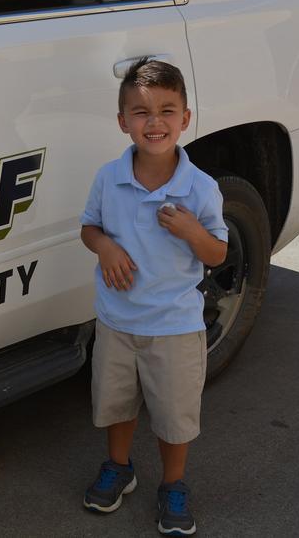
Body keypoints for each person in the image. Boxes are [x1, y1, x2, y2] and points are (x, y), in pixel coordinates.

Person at [79, 57, 228, 536]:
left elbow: (218, 253)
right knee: (116, 404)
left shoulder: (200, 189)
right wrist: (104, 247)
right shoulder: (109, 177)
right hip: (118, 321)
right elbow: (89, 228)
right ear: (123, 122)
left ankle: (174, 484)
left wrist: (189, 230)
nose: (154, 122)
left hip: (174, 326)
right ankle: (118, 467)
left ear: (185, 119)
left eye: (167, 110)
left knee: (174, 415)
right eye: (141, 112)